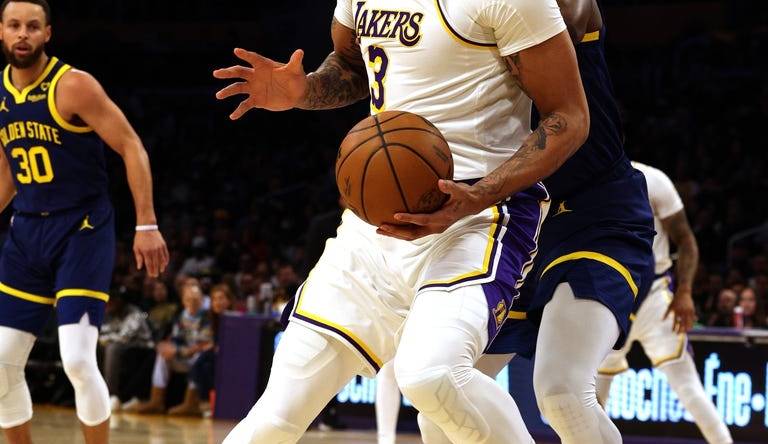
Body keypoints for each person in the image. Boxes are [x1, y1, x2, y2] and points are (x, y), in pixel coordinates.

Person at [214, 0, 590, 442]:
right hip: (373, 225)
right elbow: (352, 67)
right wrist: (304, 92)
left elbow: (569, 116)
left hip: (478, 213)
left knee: (430, 373)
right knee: (276, 415)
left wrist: (478, 195)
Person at [413, 1, 656, 442]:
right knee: (439, 407)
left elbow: (576, 10)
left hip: (594, 212)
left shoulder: (544, 9)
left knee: (562, 391)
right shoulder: (446, 39)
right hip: (514, 219)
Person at [0, 1, 169, 443]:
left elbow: (132, 146)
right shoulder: (0, 92)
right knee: (1, 362)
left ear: (48, 33)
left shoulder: (73, 85)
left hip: (82, 228)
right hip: (26, 233)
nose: (23, 34)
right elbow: (7, 171)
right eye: (14, 26)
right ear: (1, 31)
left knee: (76, 358)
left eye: (32, 27)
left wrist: (146, 224)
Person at [596, 162, 733, 444]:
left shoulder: (653, 179)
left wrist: (684, 291)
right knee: (594, 395)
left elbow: (685, 239)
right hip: (612, 294)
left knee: (688, 387)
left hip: (655, 295)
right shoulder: (589, 180)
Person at [126, 283, 212, 415]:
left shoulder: (207, 318)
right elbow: (175, 338)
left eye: (196, 299)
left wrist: (177, 350)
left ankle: (190, 404)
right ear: (183, 301)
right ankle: (156, 401)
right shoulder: (180, 316)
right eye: (189, 299)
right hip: (183, 355)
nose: (193, 303)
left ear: (202, 300)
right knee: (162, 356)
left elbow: (203, 344)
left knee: (198, 357)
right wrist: (167, 346)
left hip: (198, 357)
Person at [98, 290, 154, 413]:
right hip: (124, 348)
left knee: (112, 348)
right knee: (100, 347)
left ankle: (112, 395)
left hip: (142, 349)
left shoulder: (136, 313)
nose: (108, 304)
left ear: (119, 301)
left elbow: (124, 337)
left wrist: (103, 339)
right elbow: (101, 332)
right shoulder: (109, 315)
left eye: (111, 301)